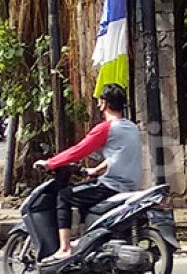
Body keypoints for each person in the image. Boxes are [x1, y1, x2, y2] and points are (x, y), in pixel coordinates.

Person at [34, 84, 141, 262]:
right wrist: (96, 170)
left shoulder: (106, 128)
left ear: (104, 104)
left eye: (100, 101)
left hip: (112, 185)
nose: (99, 104)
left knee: (64, 196)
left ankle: (65, 248)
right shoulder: (131, 127)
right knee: (85, 200)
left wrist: (50, 163)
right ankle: (88, 243)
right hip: (131, 185)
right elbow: (118, 156)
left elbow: (78, 151)